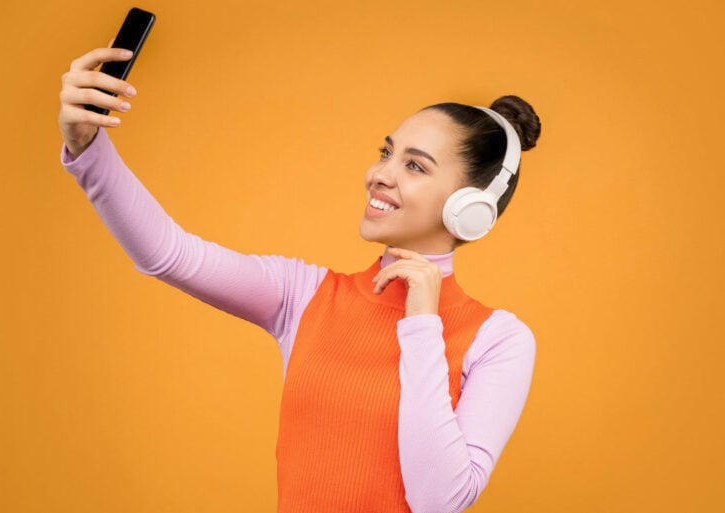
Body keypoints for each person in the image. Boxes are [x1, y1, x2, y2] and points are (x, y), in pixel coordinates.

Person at [59, 46, 541, 513]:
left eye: (414, 166)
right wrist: (88, 148)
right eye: (386, 152)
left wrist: (421, 326)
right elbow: (169, 254)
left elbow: (438, 501)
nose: (379, 174)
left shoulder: (499, 341)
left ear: (470, 208)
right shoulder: (304, 295)